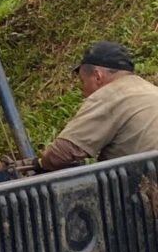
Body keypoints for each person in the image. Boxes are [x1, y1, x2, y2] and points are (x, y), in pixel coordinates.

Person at [39, 41, 158, 170]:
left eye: (83, 81)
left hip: (143, 183)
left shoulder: (110, 95)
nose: (83, 93)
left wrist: (40, 164)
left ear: (97, 76)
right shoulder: (152, 90)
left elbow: (61, 154)